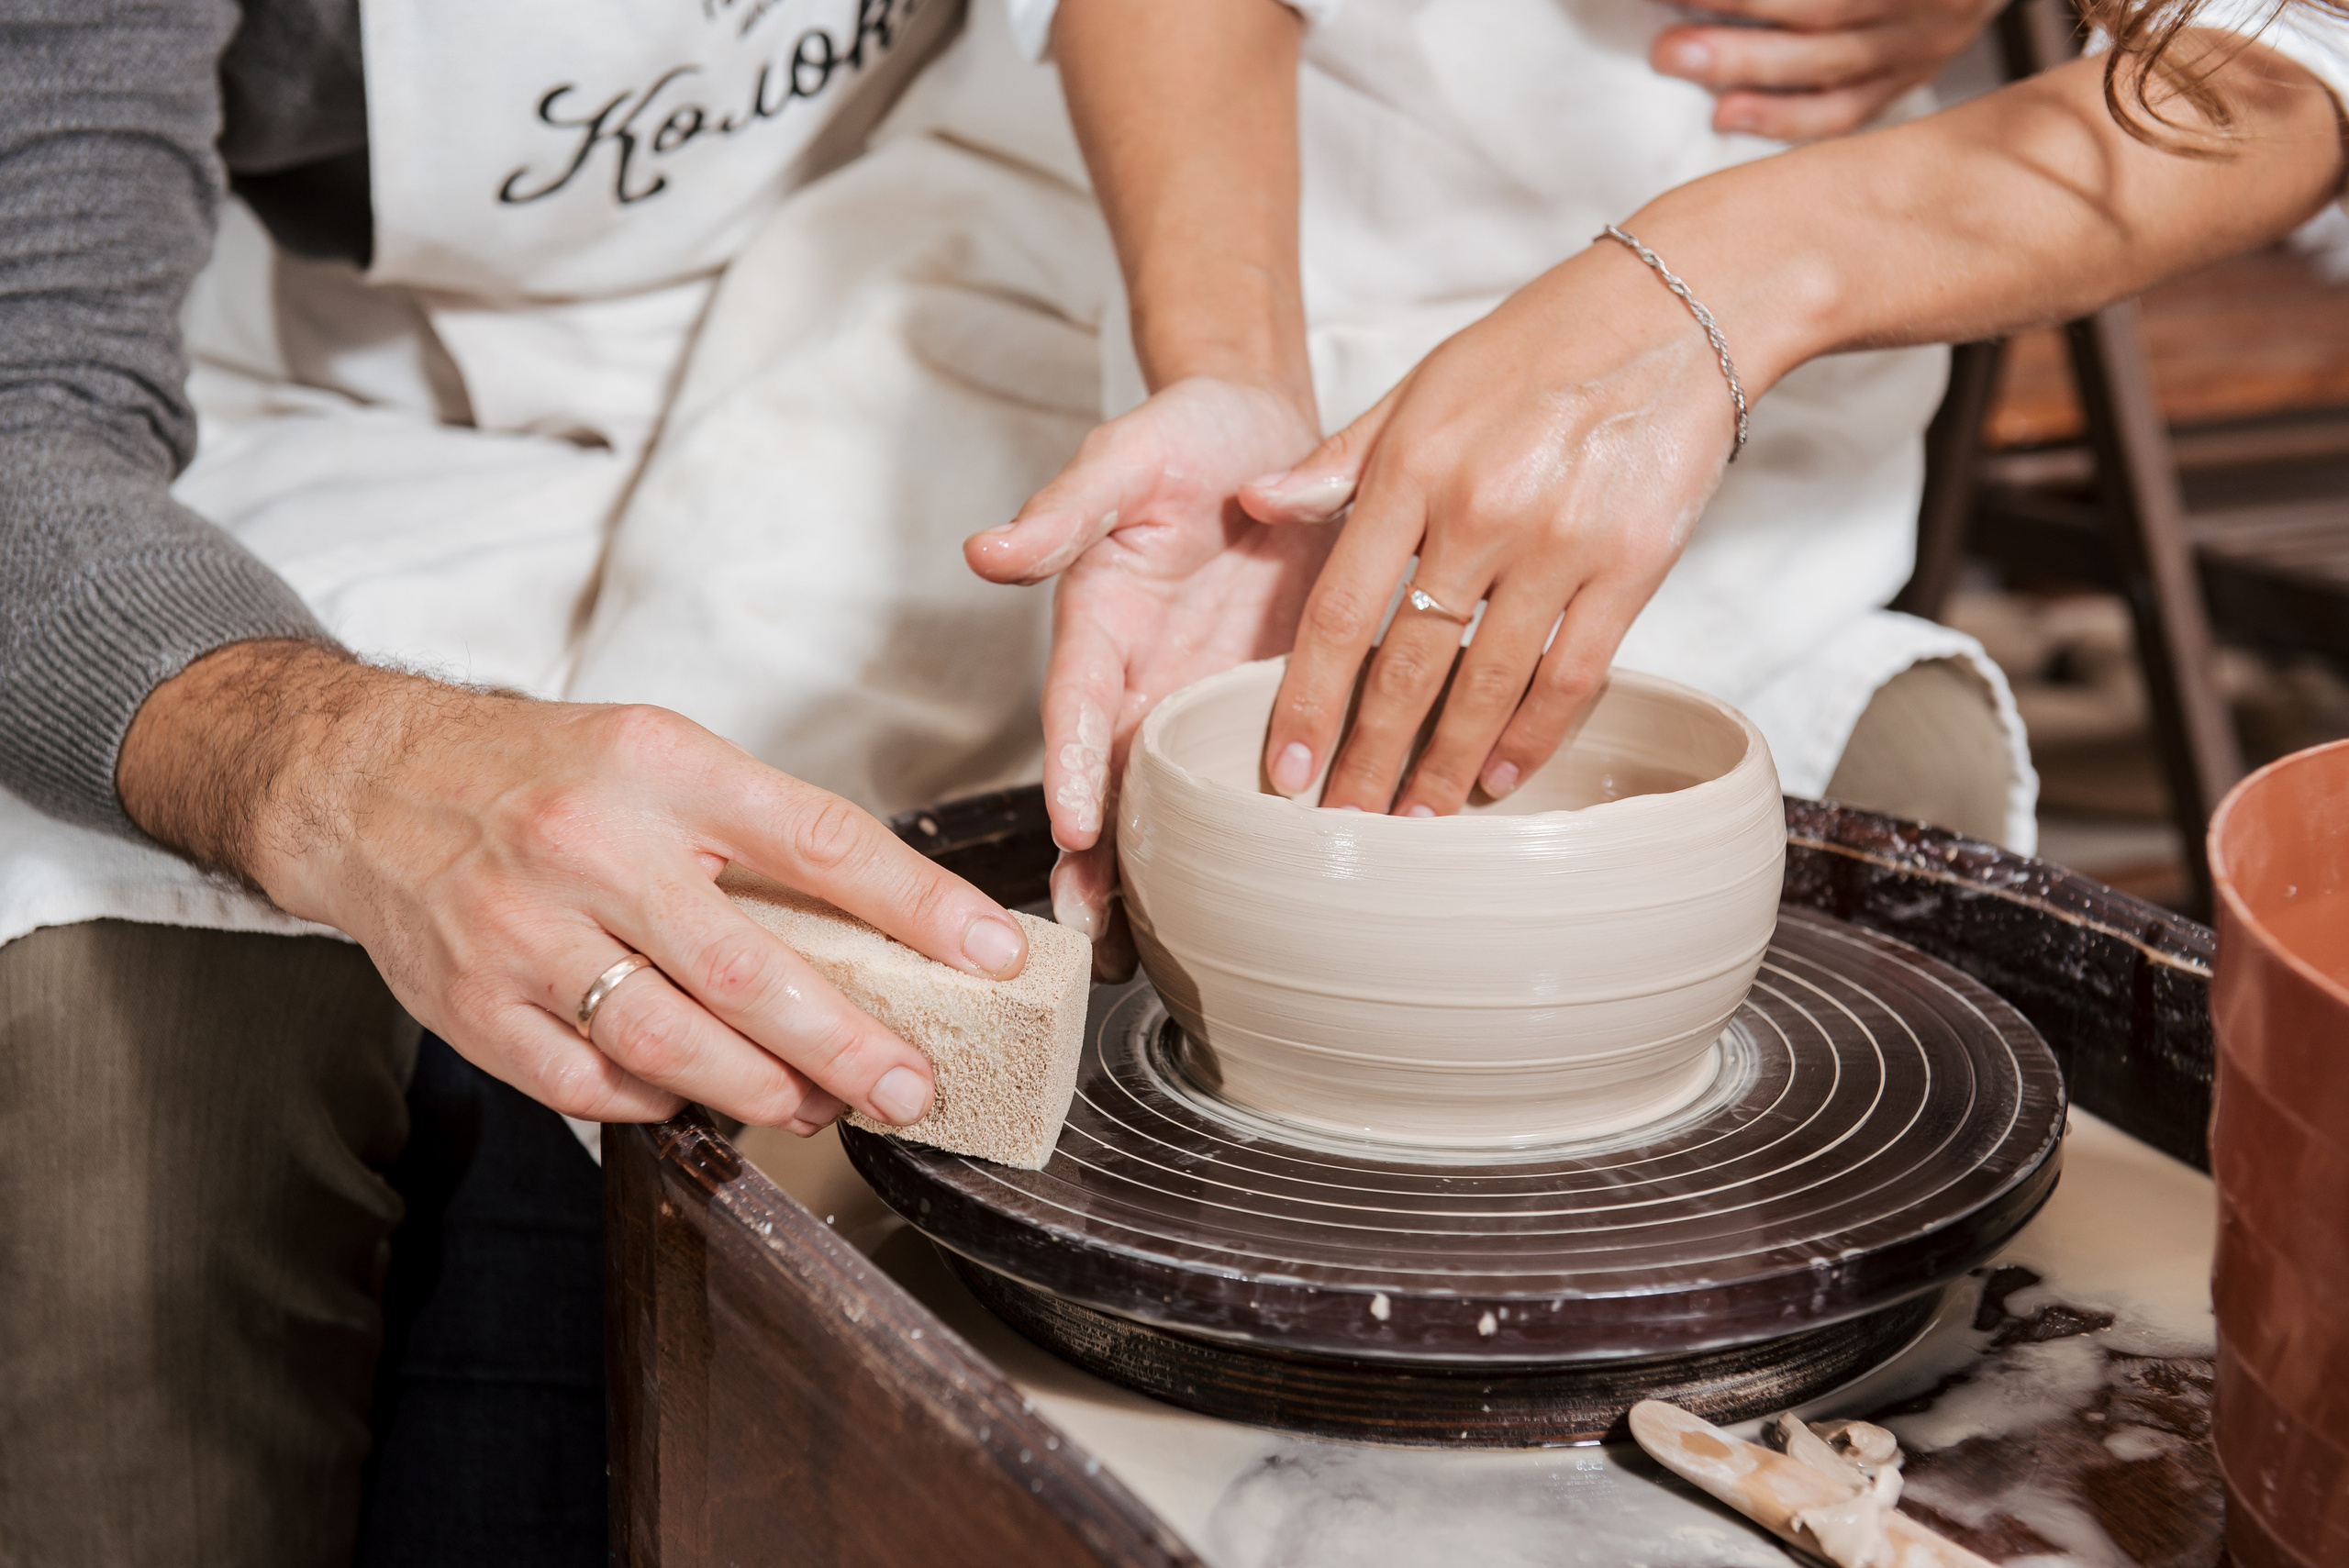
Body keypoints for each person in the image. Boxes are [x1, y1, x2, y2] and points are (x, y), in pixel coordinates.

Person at [970, 0, 2111, 969]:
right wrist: (1228, 370)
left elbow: (2229, 86)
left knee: (1906, 803)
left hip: (1797, 245)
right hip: (1193, 206)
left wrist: (1700, 290)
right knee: (975, 850)